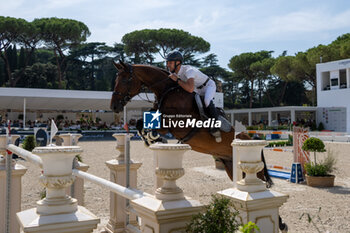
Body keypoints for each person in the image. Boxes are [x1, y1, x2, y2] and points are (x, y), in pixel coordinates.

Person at [166, 50, 221, 142]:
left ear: (178, 63)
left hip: (208, 86)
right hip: (197, 89)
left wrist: (177, 80)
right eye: (167, 62)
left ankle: (216, 127)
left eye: (170, 62)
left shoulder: (189, 71)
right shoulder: (174, 74)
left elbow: (190, 89)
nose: (168, 65)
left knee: (207, 101)